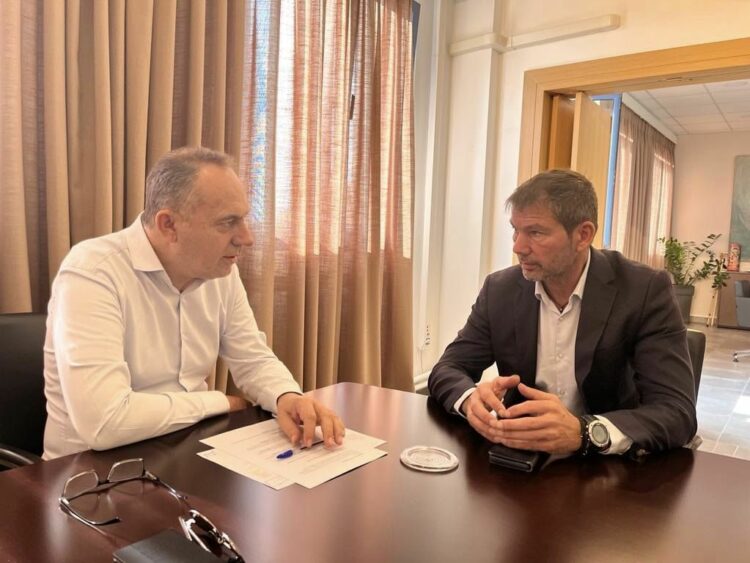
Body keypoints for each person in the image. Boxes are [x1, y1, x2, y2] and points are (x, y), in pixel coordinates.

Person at [43, 147, 345, 459]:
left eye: (243, 219)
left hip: (183, 451)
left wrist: (286, 396)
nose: (246, 238)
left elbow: (252, 358)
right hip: (87, 471)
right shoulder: (92, 272)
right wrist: (220, 402)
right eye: (227, 222)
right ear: (168, 225)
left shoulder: (220, 270)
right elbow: (105, 422)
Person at [428, 169, 696, 457]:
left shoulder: (643, 290)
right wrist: (471, 401)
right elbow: (448, 368)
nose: (518, 247)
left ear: (583, 235)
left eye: (535, 232)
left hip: (610, 465)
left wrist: (584, 432)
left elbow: (676, 411)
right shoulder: (500, 290)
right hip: (524, 457)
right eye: (516, 230)